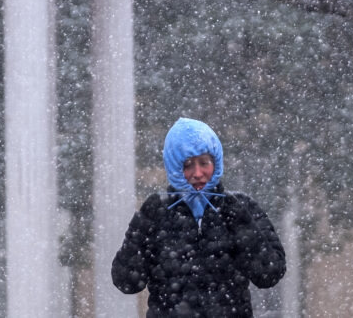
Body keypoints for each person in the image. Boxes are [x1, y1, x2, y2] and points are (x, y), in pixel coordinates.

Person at [112, 117, 286, 317]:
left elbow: (269, 274)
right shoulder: (156, 211)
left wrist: (240, 221)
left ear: (216, 162)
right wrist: (143, 227)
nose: (197, 173)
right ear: (174, 166)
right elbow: (126, 281)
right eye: (187, 165)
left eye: (204, 163)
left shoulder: (241, 206)